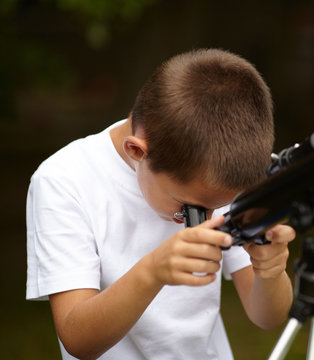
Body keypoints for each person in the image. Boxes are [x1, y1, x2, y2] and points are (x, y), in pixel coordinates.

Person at [26, 48, 295, 359]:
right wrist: (152, 271)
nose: (209, 219)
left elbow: (268, 318)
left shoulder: (215, 173)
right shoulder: (64, 180)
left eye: (218, 207)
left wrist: (271, 271)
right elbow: (77, 339)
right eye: (192, 210)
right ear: (138, 151)